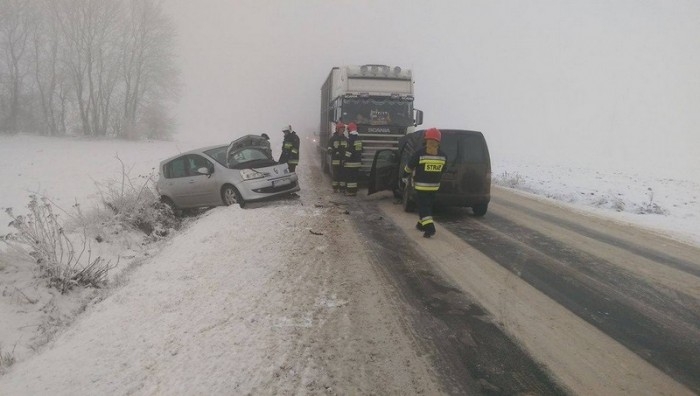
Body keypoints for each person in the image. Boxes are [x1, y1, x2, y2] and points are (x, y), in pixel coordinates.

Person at [403, 128, 447, 238]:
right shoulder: (443, 156)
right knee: (427, 206)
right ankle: (421, 224)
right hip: (434, 187)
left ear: (426, 140)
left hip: (421, 187)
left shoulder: (420, 154)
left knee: (423, 208)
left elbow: (409, 166)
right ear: (438, 141)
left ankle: (430, 228)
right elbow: (443, 170)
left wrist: (404, 174)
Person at [343, 122, 362, 196]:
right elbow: (360, 150)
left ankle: (350, 192)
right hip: (357, 162)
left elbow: (349, 151)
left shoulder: (351, 139)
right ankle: (354, 191)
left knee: (350, 178)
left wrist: (345, 159)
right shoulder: (359, 138)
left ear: (349, 130)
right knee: (354, 178)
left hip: (350, 163)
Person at [328, 122, 348, 192]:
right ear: (337, 129)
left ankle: (342, 188)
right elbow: (329, 147)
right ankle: (335, 188)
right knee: (335, 174)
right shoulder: (333, 139)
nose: (342, 130)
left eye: (343, 129)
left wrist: (345, 158)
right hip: (335, 160)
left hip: (343, 160)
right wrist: (331, 151)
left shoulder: (345, 139)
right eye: (341, 129)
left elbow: (347, 149)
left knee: (343, 174)